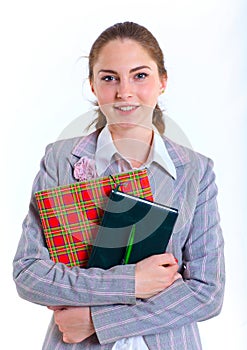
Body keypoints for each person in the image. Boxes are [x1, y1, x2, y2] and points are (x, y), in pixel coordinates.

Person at [13, 21, 225, 349]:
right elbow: (29, 274)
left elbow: (206, 293)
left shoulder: (196, 171)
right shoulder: (60, 160)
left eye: (140, 75)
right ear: (93, 86)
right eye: (109, 78)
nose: (124, 92)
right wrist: (132, 282)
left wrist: (99, 321)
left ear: (162, 82)